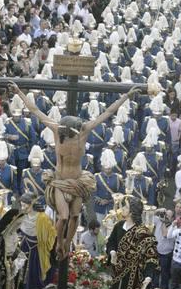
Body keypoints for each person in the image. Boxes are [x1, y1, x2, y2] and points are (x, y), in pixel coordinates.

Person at [11, 83, 140, 260]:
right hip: (61, 182)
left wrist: (126, 96)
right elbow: (35, 111)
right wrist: (19, 92)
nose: (75, 135)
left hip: (78, 181)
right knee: (63, 217)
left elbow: (107, 113)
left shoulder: (84, 130)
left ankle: (66, 244)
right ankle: (58, 244)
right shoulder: (57, 131)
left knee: (75, 216)